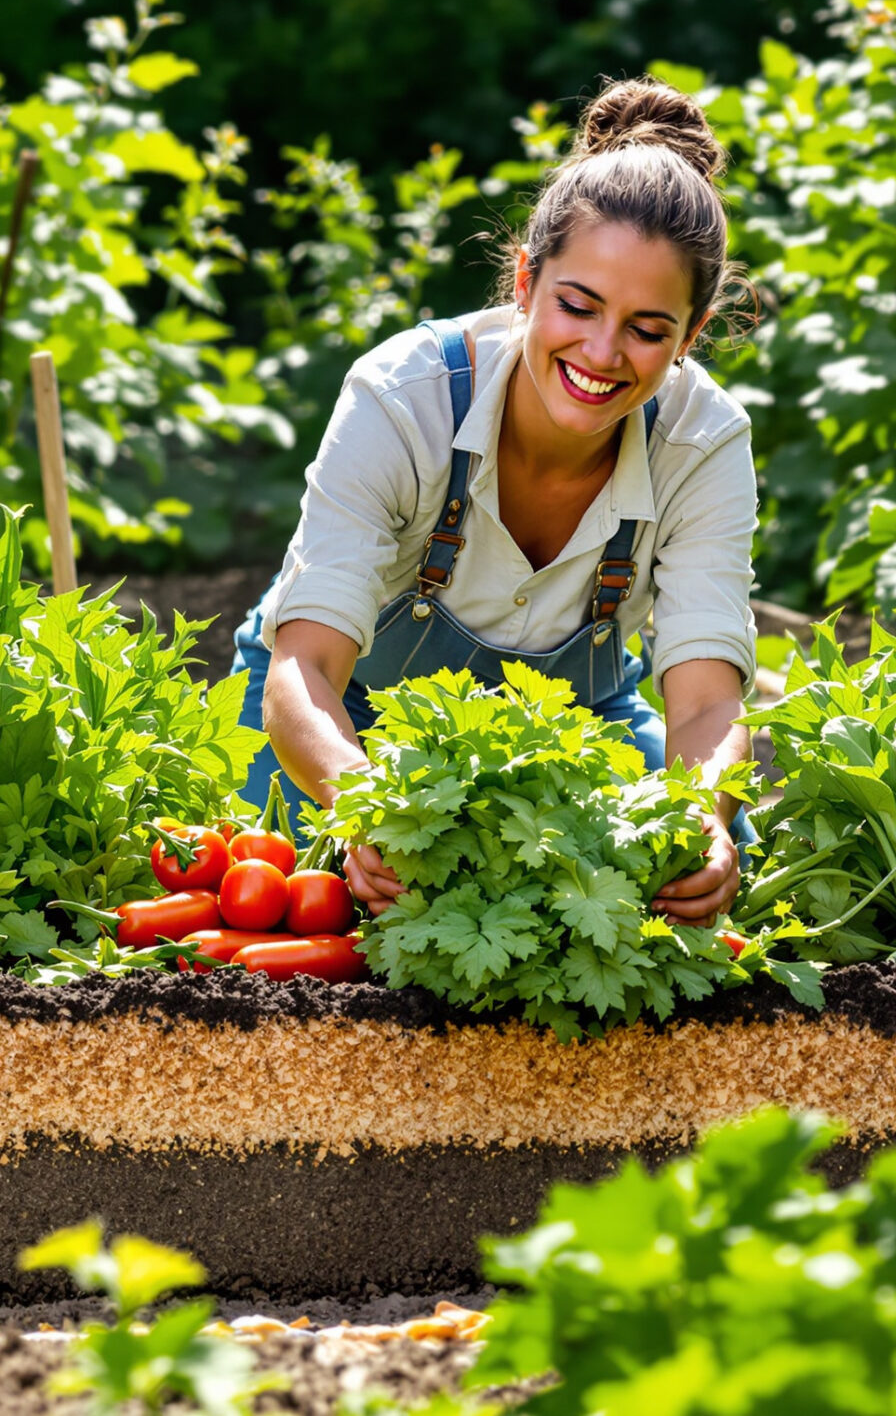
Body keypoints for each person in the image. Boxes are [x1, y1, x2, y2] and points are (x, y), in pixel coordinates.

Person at [229, 77, 759, 927]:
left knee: (698, 875)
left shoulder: (703, 442)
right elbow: (306, 668)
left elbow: (703, 703)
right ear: (525, 281)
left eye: (648, 329)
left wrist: (702, 818)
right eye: (577, 306)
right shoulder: (406, 396)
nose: (602, 352)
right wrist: (367, 806)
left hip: (567, 735)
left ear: (692, 336)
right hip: (348, 716)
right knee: (307, 907)